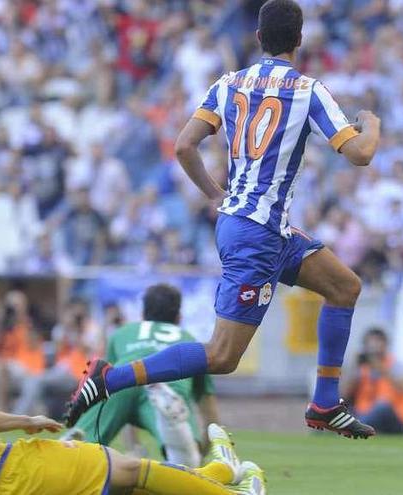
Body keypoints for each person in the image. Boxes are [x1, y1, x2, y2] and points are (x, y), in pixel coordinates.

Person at [65, 0, 381, 440]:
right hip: (257, 235)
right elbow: (360, 155)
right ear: (300, 39)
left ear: (257, 39)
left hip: (259, 227)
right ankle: (108, 379)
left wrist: (215, 194)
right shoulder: (308, 89)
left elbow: (183, 146)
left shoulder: (228, 83)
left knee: (344, 286)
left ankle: (324, 402)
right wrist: (371, 124)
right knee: (221, 356)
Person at [0, 338, 267, 495]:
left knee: (125, 487)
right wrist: (23, 420)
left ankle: (218, 471)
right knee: (129, 468)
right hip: (13, 474)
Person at [65, 284, 220, 468]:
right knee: (186, 463)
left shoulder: (122, 333)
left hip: (121, 383)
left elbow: (114, 387)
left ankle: (71, 451)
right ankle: (184, 455)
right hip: (167, 388)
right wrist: (200, 453)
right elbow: (211, 419)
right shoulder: (190, 340)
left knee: (74, 452)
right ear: (179, 316)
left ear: (143, 314)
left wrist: (133, 447)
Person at [343, 328, 403, 435]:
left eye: (377, 342)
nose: (374, 347)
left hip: (395, 416)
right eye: (370, 343)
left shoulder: (395, 364)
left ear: (385, 345)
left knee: (382, 406)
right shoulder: (361, 367)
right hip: (363, 412)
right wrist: (354, 367)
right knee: (335, 408)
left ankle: (352, 427)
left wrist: (380, 367)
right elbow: (344, 394)